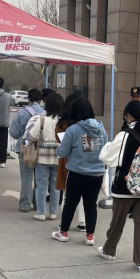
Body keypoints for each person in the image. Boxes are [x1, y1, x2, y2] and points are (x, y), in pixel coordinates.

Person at [97, 100, 140, 273]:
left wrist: (107, 146)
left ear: (129, 116)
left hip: (125, 187)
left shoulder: (125, 135)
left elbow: (107, 157)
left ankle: (109, 251)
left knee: (117, 221)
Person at [53, 98, 108, 245]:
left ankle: (63, 232)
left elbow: (63, 152)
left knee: (70, 203)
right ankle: (90, 236)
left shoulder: (73, 130)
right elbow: (105, 150)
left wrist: (60, 148)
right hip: (97, 173)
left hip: (77, 173)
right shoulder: (102, 129)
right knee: (91, 205)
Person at [28, 93, 63, 221]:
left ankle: (41, 213)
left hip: (42, 158)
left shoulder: (42, 119)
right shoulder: (64, 121)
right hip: (59, 158)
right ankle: (53, 213)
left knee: (41, 186)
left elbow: (32, 136)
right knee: (56, 187)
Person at [8, 88, 44, 211]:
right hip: (42, 149)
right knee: (40, 178)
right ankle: (38, 203)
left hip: (25, 148)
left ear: (28, 99)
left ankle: (25, 205)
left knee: (26, 178)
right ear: (40, 100)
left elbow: (14, 132)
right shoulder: (45, 113)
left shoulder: (22, 113)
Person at [56, 94, 87, 231]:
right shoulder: (86, 125)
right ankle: (83, 222)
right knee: (84, 195)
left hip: (67, 161)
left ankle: (64, 224)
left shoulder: (63, 123)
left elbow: (59, 140)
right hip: (84, 161)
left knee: (67, 195)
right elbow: (87, 146)